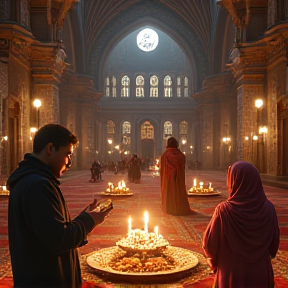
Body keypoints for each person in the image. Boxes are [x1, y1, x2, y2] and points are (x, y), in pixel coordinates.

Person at [7, 124, 113, 288]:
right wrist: (89, 221)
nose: (70, 162)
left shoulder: (34, 181)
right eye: (67, 154)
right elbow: (59, 240)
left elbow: (51, 230)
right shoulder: (37, 185)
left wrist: (84, 217)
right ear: (50, 148)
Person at [202, 161, 280, 288]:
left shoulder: (223, 210)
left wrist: (214, 262)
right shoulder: (269, 208)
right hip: (261, 273)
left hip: (232, 273)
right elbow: (274, 244)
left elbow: (210, 245)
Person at [160, 137, 193, 215]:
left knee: (170, 192)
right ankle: (180, 207)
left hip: (168, 178)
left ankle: (170, 208)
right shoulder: (180, 154)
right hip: (179, 178)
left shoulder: (166, 154)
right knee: (179, 191)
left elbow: (162, 168)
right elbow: (183, 164)